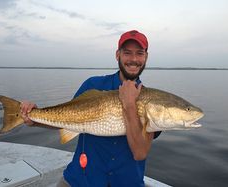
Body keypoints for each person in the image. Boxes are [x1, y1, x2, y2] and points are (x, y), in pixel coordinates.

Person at [20, 30, 161, 187]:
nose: (134, 59)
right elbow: (65, 120)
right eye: (127, 53)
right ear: (117, 55)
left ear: (146, 57)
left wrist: (129, 104)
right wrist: (33, 118)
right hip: (81, 180)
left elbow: (140, 153)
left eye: (139, 53)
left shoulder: (153, 101)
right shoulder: (93, 85)